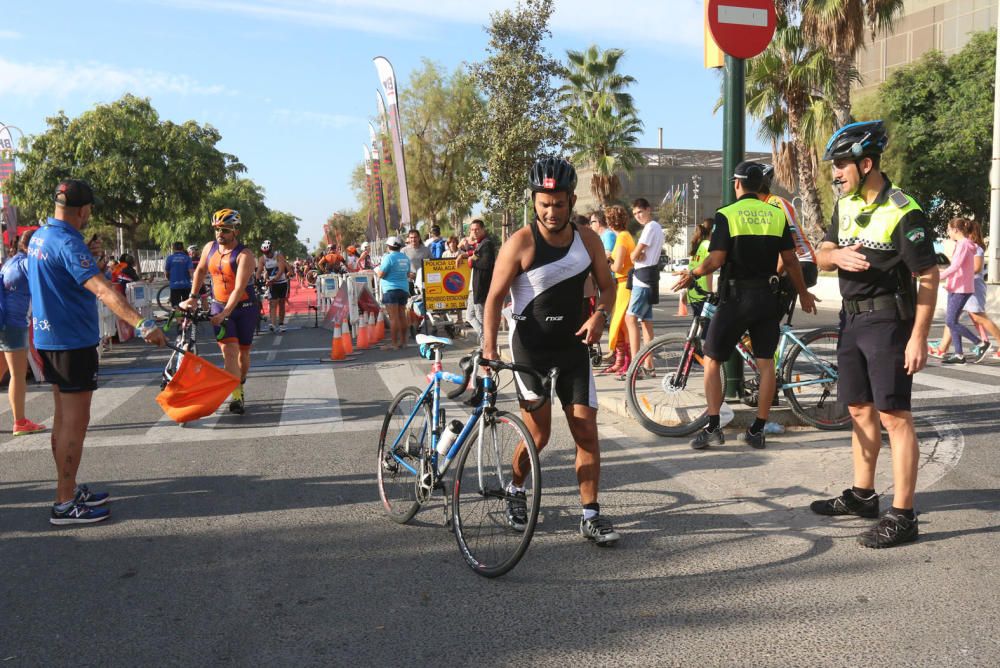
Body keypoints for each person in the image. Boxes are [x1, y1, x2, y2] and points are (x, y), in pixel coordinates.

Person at [809, 120, 939, 549]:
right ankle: (864, 496)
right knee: (859, 410)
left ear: (867, 163)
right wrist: (837, 255)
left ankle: (903, 515)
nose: (836, 172)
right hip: (850, 321)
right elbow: (822, 254)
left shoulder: (904, 210)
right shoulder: (845, 205)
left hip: (888, 324)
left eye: (842, 164)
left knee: (894, 416)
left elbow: (928, 275)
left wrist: (918, 337)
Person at [483, 156, 620, 546]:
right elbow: (494, 299)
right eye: (544, 203)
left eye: (559, 203)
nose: (552, 211)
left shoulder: (587, 239)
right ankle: (515, 488)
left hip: (573, 346)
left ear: (571, 200)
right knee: (538, 435)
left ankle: (591, 514)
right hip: (531, 348)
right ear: (534, 200)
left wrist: (600, 317)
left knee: (585, 431)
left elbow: (607, 287)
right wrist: (489, 349)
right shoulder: (521, 242)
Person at [27, 179, 166, 525]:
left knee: (63, 419)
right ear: (83, 210)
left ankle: (68, 488)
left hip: (51, 339)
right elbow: (103, 291)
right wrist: (143, 324)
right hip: (71, 342)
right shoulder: (68, 243)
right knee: (75, 422)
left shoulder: (41, 235)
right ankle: (63, 502)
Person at [673, 161, 815, 451]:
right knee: (766, 366)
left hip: (736, 299)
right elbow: (790, 260)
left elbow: (716, 259)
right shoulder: (775, 214)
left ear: (737, 184)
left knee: (712, 360)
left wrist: (693, 274)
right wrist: (804, 293)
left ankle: (713, 427)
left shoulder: (727, 214)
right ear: (761, 185)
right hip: (766, 298)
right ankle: (757, 430)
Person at [181, 209, 257, 414]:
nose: (219, 234)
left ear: (235, 231)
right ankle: (236, 396)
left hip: (245, 307)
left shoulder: (245, 255)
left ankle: (239, 381)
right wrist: (193, 297)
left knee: (243, 353)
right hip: (219, 304)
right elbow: (200, 271)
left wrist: (225, 314)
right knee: (229, 353)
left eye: (224, 230)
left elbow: (239, 288)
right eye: (216, 230)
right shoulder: (209, 248)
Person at [929, 219, 999, 361]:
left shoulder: (966, 246)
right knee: (952, 319)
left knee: (956, 320)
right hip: (956, 285)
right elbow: (958, 267)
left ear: (956, 230)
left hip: (963, 287)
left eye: (949, 229)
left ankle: (980, 344)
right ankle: (957, 354)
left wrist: (938, 277)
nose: (948, 232)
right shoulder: (964, 245)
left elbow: (958, 267)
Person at [0, 229, 46, 436]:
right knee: (17, 375)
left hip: (3, 321)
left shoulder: (11, 261)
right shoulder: (28, 263)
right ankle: (19, 421)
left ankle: (20, 420)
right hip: (15, 323)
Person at [759, 166, 818, 289]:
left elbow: (790, 244)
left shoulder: (775, 203)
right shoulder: (763, 206)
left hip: (802, 263)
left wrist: (775, 276)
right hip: (790, 262)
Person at [624, 198, 665, 376]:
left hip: (642, 280)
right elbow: (639, 253)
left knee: (630, 319)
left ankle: (635, 366)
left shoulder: (650, 227)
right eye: (635, 214)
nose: (638, 216)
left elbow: (635, 253)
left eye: (640, 212)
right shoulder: (657, 228)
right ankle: (649, 365)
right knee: (646, 323)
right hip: (649, 277)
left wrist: (635, 255)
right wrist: (637, 255)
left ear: (648, 209)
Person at [604, 205, 633, 377]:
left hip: (624, 284)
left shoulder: (622, 238)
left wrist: (608, 260)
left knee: (621, 325)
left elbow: (618, 266)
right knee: (619, 325)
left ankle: (625, 362)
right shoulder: (625, 236)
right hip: (622, 285)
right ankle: (621, 361)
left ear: (610, 222)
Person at [456, 219, 495, 345]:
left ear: (483, 229)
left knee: (480, 316)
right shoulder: (481, 244)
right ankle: (485, 341)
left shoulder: (487, 244)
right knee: (470, 316)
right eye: (472, 229)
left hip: (481, 287)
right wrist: (464, 255)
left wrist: (471, 261)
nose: (474, 232)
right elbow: (475, 253)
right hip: (474, 286)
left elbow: (486, 263)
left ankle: (486, 345)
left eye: (477, 229)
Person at [376, 236, 412, 349]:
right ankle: (404, 342)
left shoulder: (388, 258)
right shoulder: (405, 258)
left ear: (389, 246)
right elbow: (407, 274)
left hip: (390, 290)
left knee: (394, 318)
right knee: (402, 316)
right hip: (403, 289)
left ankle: (394, 343)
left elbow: (381, 274)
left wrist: (377, 271)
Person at [256, 239, 289, 333]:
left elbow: (281, 271)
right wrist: (257, 279)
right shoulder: (262, 258)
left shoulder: (278, 256)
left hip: (282, 282)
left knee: (281, 304)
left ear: (271, 250)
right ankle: (273, 324)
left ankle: (281, 323)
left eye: (268, 252)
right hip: (272, 284)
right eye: (264, 253)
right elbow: (259, 270)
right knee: (273, 303)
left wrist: (273, 280)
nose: (267, 254)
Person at [684, 218, 715, 317]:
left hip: (693, 292)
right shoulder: (708, 245)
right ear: (713, 231)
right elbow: (708, 270)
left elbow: (690, 268)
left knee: (698, 324)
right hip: (703, 292)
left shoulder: (698, 245)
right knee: (707, 327)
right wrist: (710, 293)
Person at [164, 241, 193, 309]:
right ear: (183, 248)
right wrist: (194, 281)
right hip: (186, 285)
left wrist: (169, 279)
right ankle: (186, 319)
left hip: (174, 285)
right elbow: (191, 272)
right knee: (186, 304)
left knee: (175, 306)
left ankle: (179, 319)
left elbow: (166, 272)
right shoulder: (187, 258)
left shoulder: (170, 258)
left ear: (173, 248)